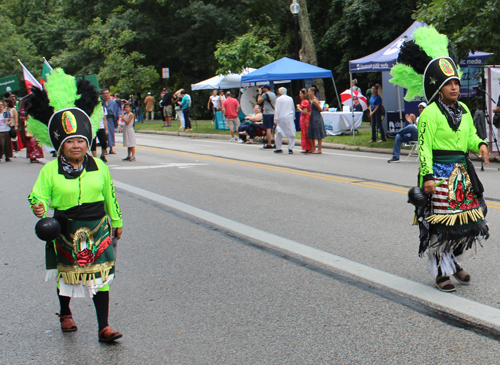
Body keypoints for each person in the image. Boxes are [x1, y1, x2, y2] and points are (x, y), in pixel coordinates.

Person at [26, 69, 123, 342]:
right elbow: (37, 196)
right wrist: (38, 207)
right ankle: (65, 313)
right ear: (61, 144)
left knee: (101, 277)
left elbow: (110, 195)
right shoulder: (50, 170)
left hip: (97, 225)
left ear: (87, 141)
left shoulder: (99, 166)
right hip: (65, 226)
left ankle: (104, 327)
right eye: (71, 142)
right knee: (66, 276)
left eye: (81, 140)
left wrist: (117, 221)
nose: (77, 146)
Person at [390, 26, 489, 292]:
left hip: (462, 174)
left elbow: (469, 137)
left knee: (466, 223)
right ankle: (440, 274)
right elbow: (424, 147)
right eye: (449, 83)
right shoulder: (431, 113)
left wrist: (479, 144)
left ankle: (454, 264)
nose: (455, 87)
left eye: (456, 82)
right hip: (439, 173)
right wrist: (428, 177)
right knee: (441, 226)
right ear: (438, 86)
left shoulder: (465, 109)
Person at [273, 87, 296, 154]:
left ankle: (278, 147)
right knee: (291, 132)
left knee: (278, 132)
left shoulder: (278, 99)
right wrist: (293, 116)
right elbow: (293, 108)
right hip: (289, 117)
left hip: (281, 117)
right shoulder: (290, 98)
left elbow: (277, 110)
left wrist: (275, 119)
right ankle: (290, 148)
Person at [307, 86, 327, 154]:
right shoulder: (312, 100)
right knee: (311, 133)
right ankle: (313, 148)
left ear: (313, 92)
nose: (308, 93)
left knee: (318, 132)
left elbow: (320, 109)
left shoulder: (315, 100)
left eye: (309, 91)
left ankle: (319, 149)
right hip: (313, 117)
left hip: (316, 117)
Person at [257, 85, 276, 149]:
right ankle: (276, 143)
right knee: (274, 128)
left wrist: (259, 93)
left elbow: (258, 101)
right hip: (273, 112)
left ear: (265, 88)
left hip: (267, 113)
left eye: (263, 88)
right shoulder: (273, 94)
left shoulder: (265, 94)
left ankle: (269, 143)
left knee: (268, 128)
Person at [102, 89, 120, 155]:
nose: (106, 95)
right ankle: (105, 149)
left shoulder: (113, 102)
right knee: (104, 134)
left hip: (110, 119)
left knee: (111, 134)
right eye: (104, 93)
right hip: (103, 119)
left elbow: (117, 111)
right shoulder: (101, 102)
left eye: (107, 93)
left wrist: (117, 119)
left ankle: (111, 148)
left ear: (109, 94)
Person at [297, 88, 312, 153]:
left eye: (300, 94)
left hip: (305, 118)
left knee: (305, 132)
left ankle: (307, 147)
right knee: (305, 132)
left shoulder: (304, 102)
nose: (299, 95)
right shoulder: (307, 101)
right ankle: (308, 147)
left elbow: (305, 112)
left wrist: (299, 108)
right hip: (306, 118)